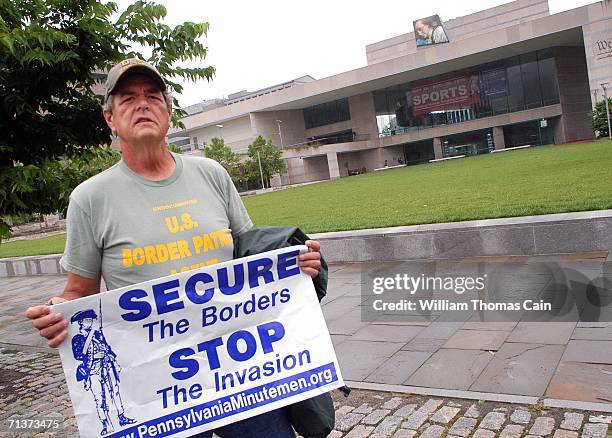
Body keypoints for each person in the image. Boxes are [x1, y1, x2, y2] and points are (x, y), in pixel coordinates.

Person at [25, 58, 322, 438]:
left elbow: (252, 260)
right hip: (160, 386)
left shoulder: (211, 173)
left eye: (153, 96)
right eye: (128, 98)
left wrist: (296, 263)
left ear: (168, 112)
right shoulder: (89, 198)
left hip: (240, 368)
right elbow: (79, 293)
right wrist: (57, 313)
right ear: (110, 119)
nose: (143, 104)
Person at [71, 309, 135, 436]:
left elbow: (108, 348)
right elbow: (78, 355)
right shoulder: (78, 338)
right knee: (100, 398)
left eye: (90, 320)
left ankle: (121, 416)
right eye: (87, 320)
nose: (89, 322)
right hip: (93, 370)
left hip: (107, 366)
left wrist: (112, 359)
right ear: (81, 323)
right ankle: (106, 424)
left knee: (115, 392)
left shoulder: (98, 334)